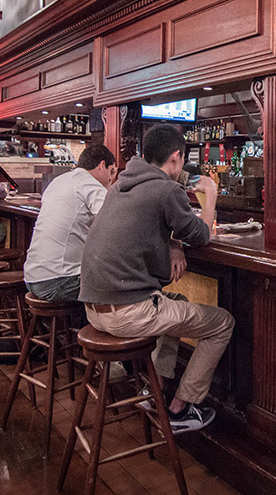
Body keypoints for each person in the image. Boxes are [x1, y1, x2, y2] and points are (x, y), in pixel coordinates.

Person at [80, 125, 234, 433]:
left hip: (93, 308)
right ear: (176, 157)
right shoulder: (167, 191)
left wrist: (173, 241)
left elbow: (152, 222)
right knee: (222, 323)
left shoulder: (121, 184)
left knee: (175, 302)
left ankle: (155, 390)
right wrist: (211, 195)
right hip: (127, 313)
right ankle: (180, 409)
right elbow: (201, 235)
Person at [23, 145, 116, 302]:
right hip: (59, 281)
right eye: (112, 171)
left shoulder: (58, 181)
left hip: (32, 277)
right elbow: (115, 221)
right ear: (102, 165)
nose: (111, 178)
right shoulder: (89, 184)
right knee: (126, 282)